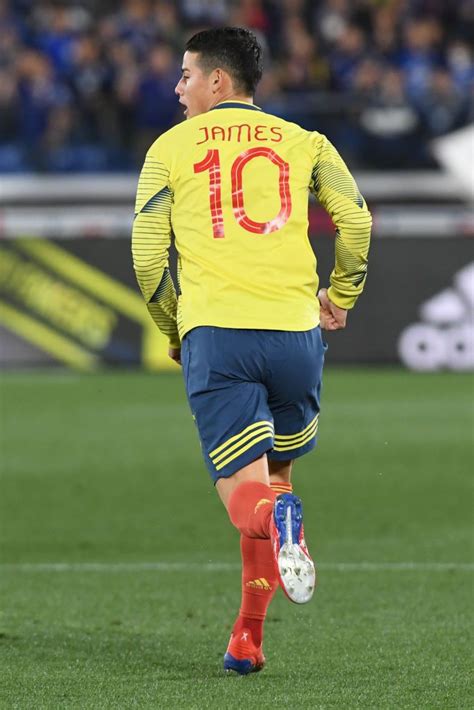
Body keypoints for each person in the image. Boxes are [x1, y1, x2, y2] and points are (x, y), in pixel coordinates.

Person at [132, 27, 371, 675]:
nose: (178, 88)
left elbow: (148, 254)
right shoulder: (305, 141)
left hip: (220, 333)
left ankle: (279, 518)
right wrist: (341, 295)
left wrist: (172, 327)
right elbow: (356, 220)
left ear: (217, 81)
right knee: (277, 475)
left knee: (248, 496)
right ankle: (248, 637)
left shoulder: (169, 148)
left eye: (185, 75)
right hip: (297, 332)